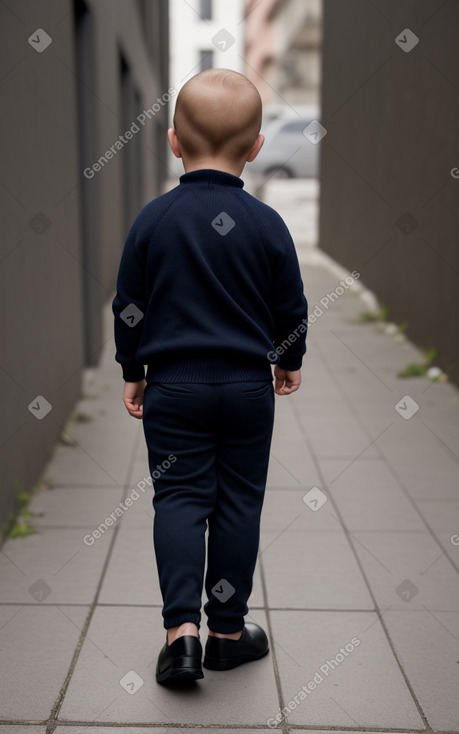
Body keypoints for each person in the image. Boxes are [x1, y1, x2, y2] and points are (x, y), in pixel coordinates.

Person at [112, 68, 308, 685]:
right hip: (248, 391)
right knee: (237, 503)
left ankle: (181, 637)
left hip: (175, 387)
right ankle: (227, 630)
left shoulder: (154, 219)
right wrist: (287, 359)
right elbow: (291, 306)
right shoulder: (267, 223)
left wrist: (133, 368)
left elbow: (129, 305)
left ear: (174, 141)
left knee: (178, 498)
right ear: (255, 147)